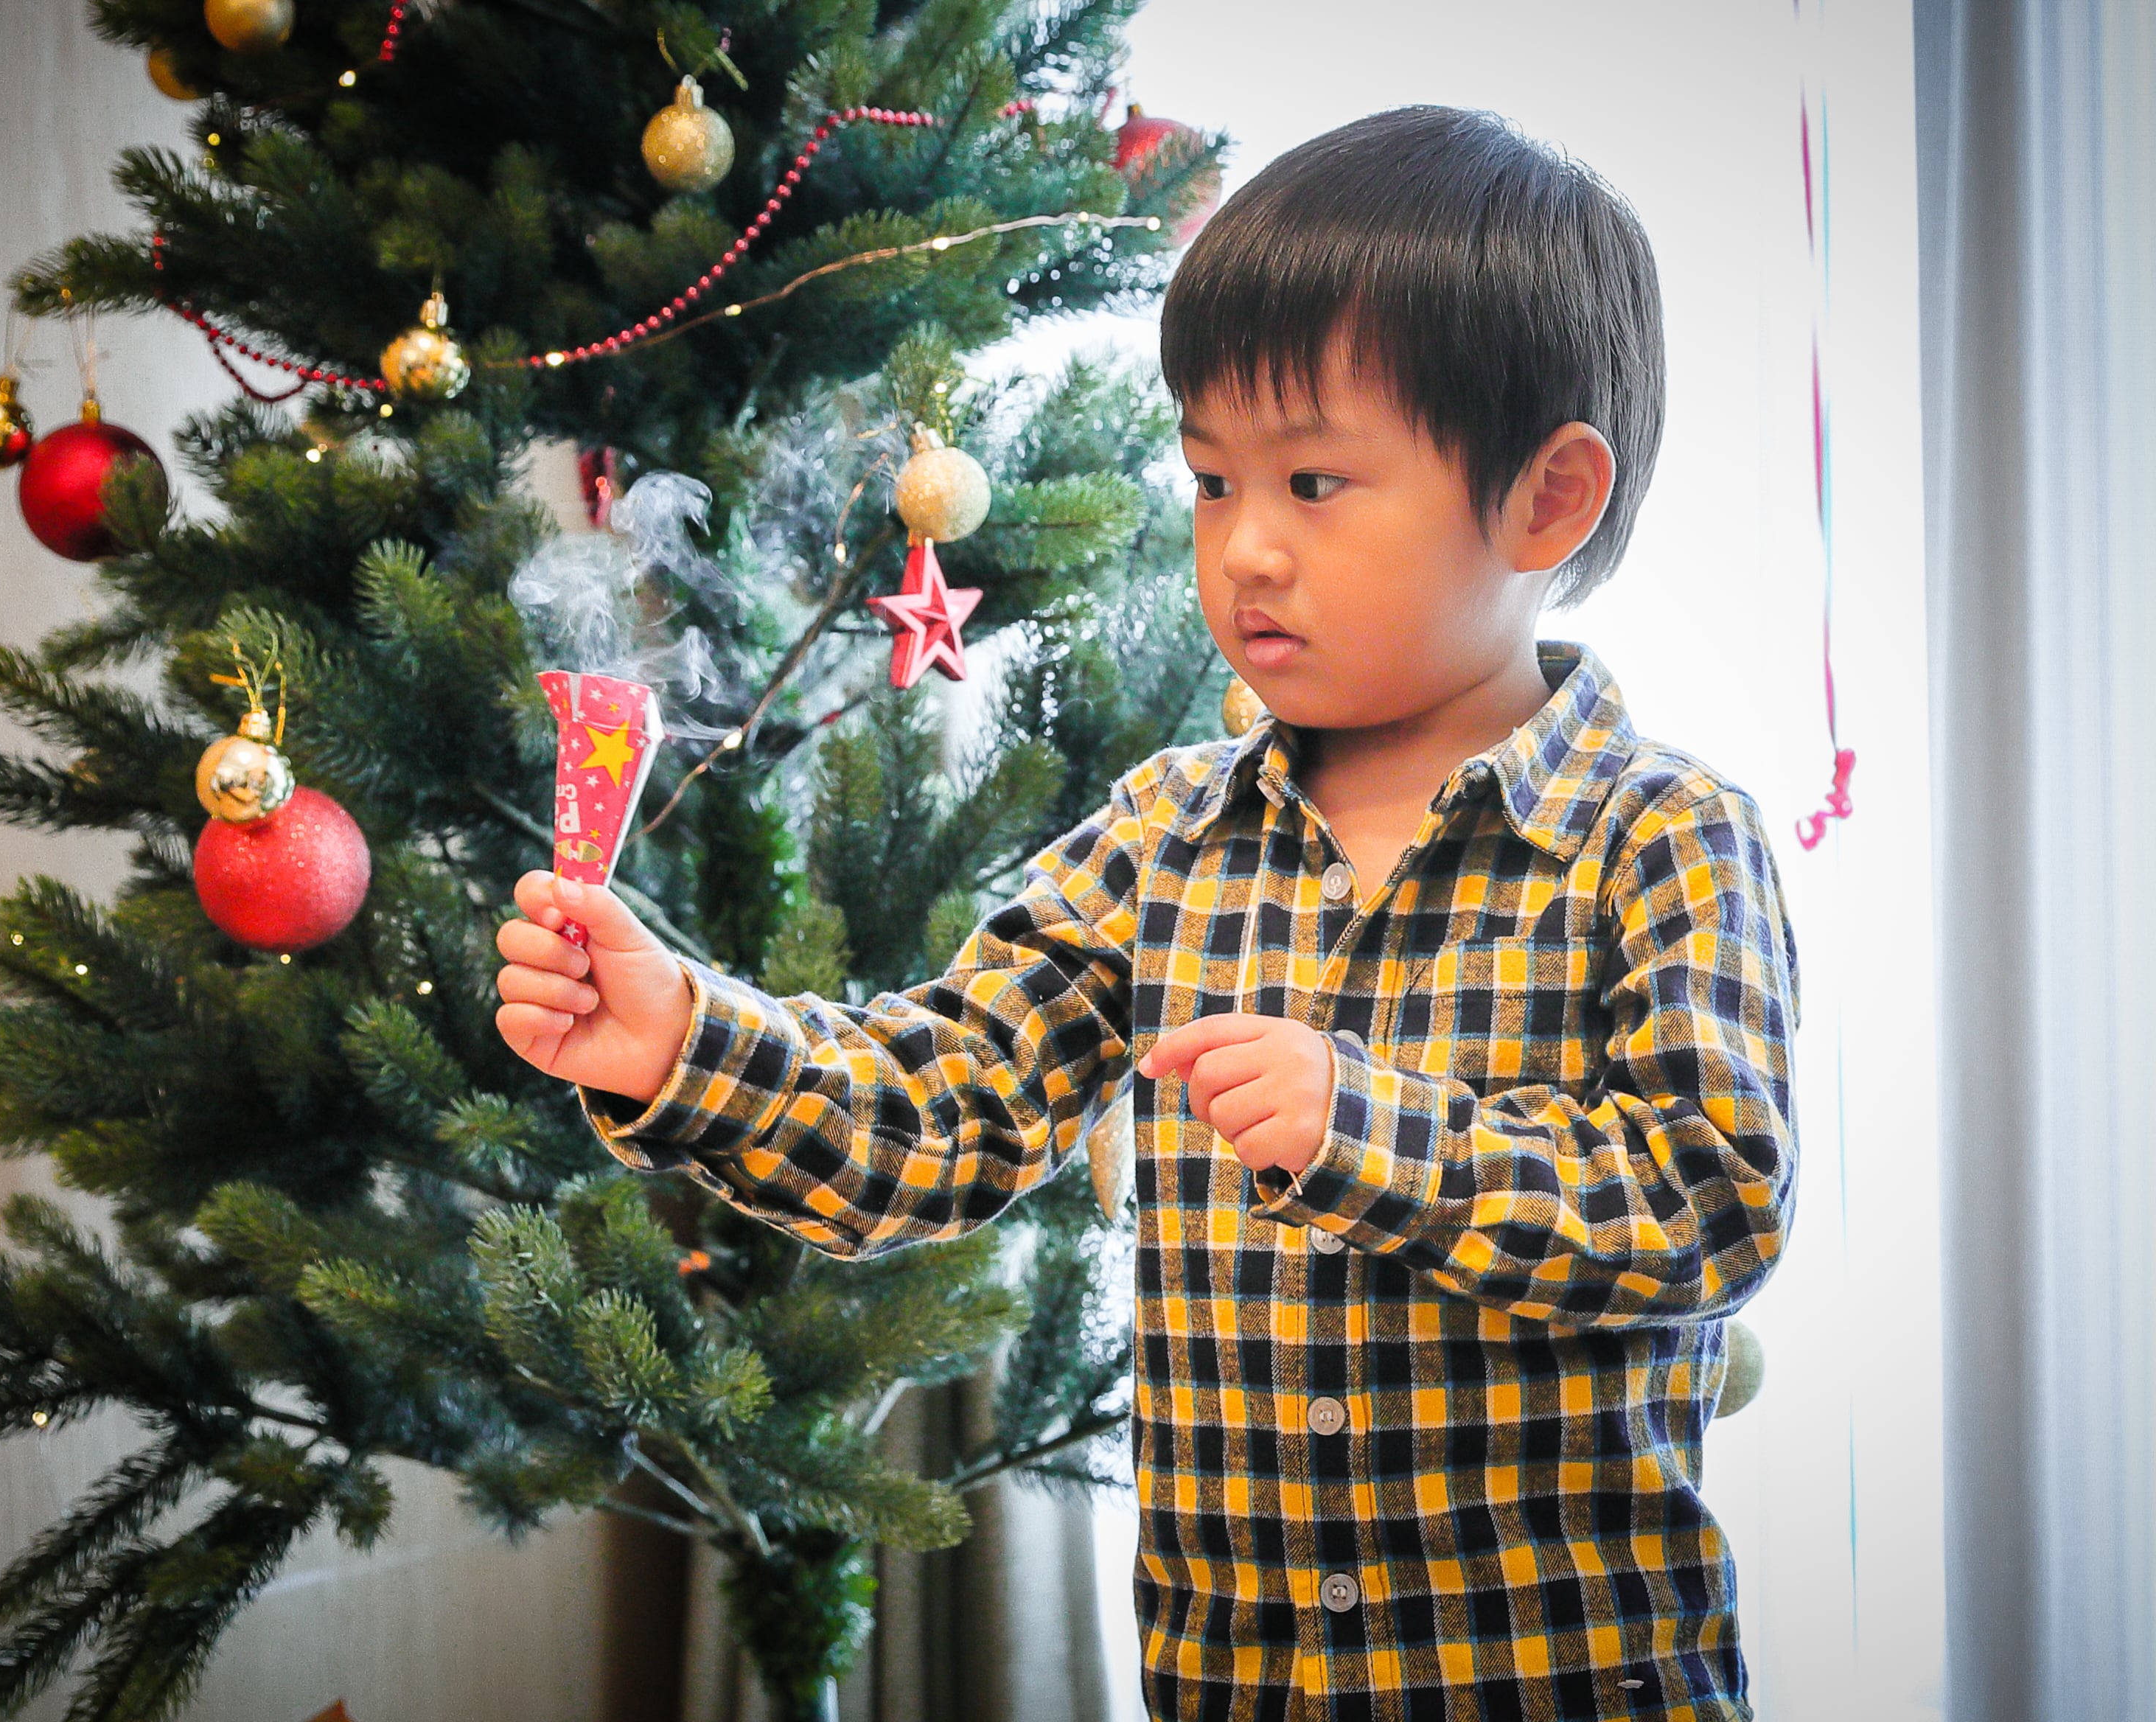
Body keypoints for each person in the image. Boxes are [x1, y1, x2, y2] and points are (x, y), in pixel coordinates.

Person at [494, 104, 1798, 1721]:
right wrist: (686, 1043)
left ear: (1547, 501)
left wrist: (1370, 1133)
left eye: (1315, 481)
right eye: (1209, 482)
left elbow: (1712, 1204)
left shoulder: (1664, 838)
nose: (1243, 547)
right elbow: (939, 1111)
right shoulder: (1167, 838)